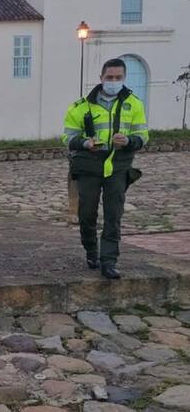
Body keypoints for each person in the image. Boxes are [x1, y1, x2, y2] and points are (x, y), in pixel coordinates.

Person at [62, 58, 149, 279]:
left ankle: (109, 261)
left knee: (113, 215)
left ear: (124, 78)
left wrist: (129, 141)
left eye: (118, 77)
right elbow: (68, 137)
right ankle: (91, 251)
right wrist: (85, 143)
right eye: (109, 77)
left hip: (118, 166)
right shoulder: (81, 106)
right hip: (89, 166)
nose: (113, 81)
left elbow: (142, 135)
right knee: (86, 213)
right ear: (101, 78)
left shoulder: (134, 104)